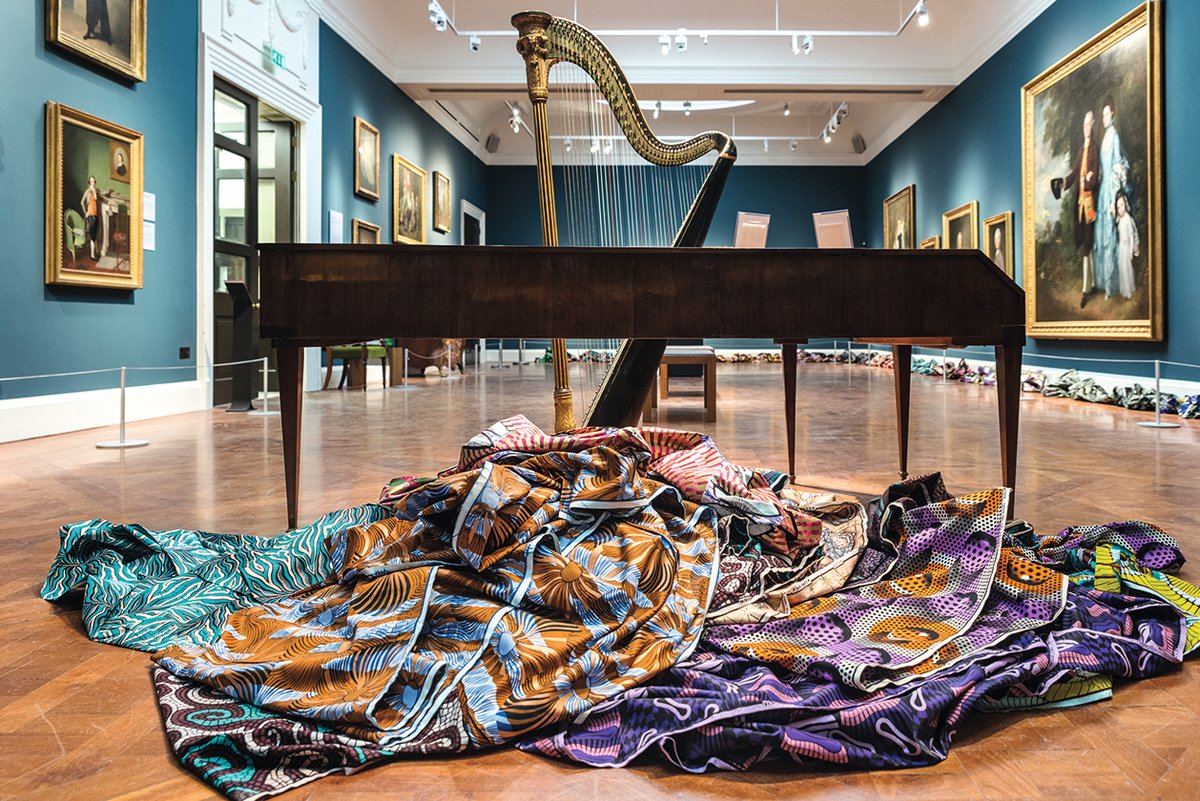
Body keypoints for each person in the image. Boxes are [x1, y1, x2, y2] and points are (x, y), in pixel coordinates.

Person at [1053, 110, 1100, 308]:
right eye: (1084, 125)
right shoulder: (1081, 150)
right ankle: (1092, 283)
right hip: (1081, 204)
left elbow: (1095, 176)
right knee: (1086, 243)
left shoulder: (1095, 149)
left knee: (1088, 244)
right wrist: (1063, 183)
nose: (1085, 128)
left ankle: (1086, 289)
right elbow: (1075, 173)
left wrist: (1088, 180)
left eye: (1088, 124)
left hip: (1091, 204)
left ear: (1093, 125)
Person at [1094, 95, 1132, 299]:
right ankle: (1105, 284)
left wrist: (1115, 199)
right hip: (1103, 190)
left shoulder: (1114, 136)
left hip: (1111, 190)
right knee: (1102, 235)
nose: (1104, 118)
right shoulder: (1106, 137)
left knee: (1110, 235)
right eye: (1103, 115)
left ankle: (1112, 286)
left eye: (1107, 114)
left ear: (1113, 114)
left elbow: (1117, 164)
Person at [1115, 190, 1138, 300]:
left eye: (1122, 205)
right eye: (1118, 207)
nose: (1120, 209)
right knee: (1122, 268)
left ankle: (1129, 291)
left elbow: (1131, 236)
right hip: (1121, 247)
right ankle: (1124, 291)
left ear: (1126, 204)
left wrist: (1130, 251)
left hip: (1127, 246)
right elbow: (1116, 222)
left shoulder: (1128, 219)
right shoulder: (1120, 219)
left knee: (1127, 268)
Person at [81, 176, 101, 260]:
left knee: (95, 235)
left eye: (94, 181)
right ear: (89, 182)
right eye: (92, 181)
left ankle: (96, 253)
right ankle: (92, 255)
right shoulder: (88, 191)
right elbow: (82, 202)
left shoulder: (96, 191)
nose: (93, 182)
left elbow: (98, 200)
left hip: (96, 215)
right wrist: (86, 212)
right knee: (93, 236)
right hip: (90, 215)